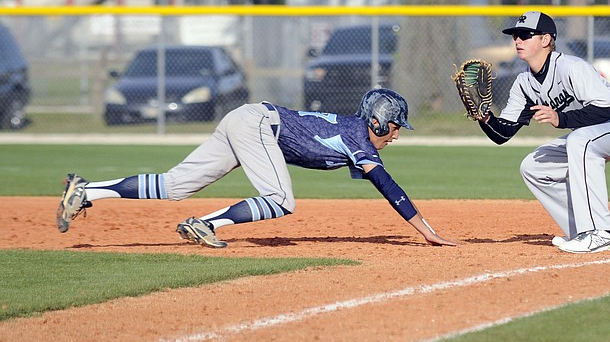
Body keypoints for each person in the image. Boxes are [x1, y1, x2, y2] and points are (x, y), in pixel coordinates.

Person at [56, 89, 459, 248]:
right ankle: (207, 225)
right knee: (282, 200)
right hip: (258, 123)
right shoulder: (358, 140)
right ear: (377, 121)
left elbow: (378, 176)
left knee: (175, 185)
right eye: (394, 127)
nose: (396, 135)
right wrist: (429, 232)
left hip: (250, 119)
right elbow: (388, 187)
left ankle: (86, 191)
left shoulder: (356, 136)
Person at [474, 11, 610, 253]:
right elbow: (502, 134)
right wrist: (485, 118)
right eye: (515, 35)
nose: (517, 41)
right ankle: (581, 231)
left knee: (581, 141)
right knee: (533, 167)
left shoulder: (571, 67)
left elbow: (609, 108)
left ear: (546, 39)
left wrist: (560, 118)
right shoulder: (523, 84)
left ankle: (602, 233)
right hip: (595, 131)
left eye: (525, 35)